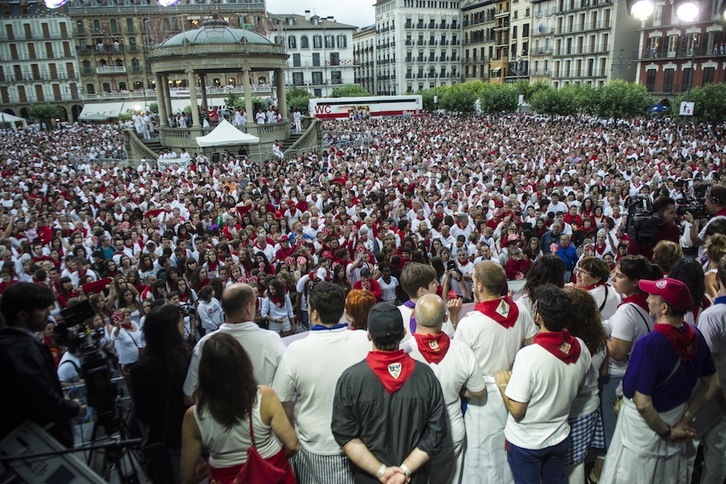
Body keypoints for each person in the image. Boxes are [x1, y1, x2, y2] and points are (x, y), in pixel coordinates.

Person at [600, 278, 721, 483]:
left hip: (644, 433)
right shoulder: (695, 335)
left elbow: (643, 404)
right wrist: (684, 420)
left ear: (664, 308)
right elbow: (713, 384)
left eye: (652, 297)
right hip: (676, 418)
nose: (647, 300)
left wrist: (667, 432)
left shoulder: (650, 344)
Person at [331, 302, 448, 483]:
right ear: (402, 333)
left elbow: (345, 436)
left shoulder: (350, 379)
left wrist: (381, 472)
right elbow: (436, 433)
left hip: (370, 478)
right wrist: (404, 470)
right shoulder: (426, 376)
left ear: (369, 335)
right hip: (414, 477)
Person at [272, 282, 371, 483]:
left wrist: (291, 434)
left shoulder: (296, 350)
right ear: (342, 310)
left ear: (314, 314)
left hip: (316, 447)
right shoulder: (366, 340)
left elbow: (281, 401)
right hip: (364, 443)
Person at [495, 285, 591, 484]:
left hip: (527, 442)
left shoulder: (529, 356)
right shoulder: (581, 347)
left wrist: (504, 384)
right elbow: (578, 388)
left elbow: (517, 409)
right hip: (560, 435)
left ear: (538, 316)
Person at [455, 260, 537, 483]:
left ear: (480, 286)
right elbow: (532, 349)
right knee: (507, 445)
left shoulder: (469, 323)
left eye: (472, 280)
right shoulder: (520, 309)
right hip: (513, 386)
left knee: (482, 451)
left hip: (482, 394)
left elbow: (460, 368)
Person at [180, 333, 299, 484]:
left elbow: (186, 478)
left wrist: (211, 466)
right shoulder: (265, 397)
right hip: (272, 474)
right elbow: (293, 445)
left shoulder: (193, 417)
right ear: (243, 363)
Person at [403, 293, 486, 484]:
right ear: (446, 318)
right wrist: (458, 390)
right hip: (450, 429)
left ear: (413, 316)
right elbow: (479, 390)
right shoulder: (461, 349)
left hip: (414, 432)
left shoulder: (402, 352)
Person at [593, 255, 657, 482]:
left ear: (635, 282)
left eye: (619, 276)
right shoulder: (646, 303)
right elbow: (611, 325)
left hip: (617, 378)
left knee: (613, 437)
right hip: (636, 375)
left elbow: (618, 350)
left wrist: (599, 338)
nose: (613, 278)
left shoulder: (628, 310)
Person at [0, 283, 84, 448]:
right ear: (23, 314)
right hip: (41, 442)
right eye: (41, 309)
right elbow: (41, 399)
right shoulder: (22, 348)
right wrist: (72, 407)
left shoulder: (11, 343)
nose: (47, 313)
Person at [183, 283, 286, 403]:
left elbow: (189, 395)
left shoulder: (204, 343)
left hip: (220, 417)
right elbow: (285, 388)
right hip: (263, 414)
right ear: (248, 307)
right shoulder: (271, 340)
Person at [130, 304, 190, 484]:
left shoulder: (139, 368)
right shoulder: (188, 360)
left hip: (163, 436)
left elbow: (142, 413)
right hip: (191, 434)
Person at [562, 286, 609, 484]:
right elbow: (604, 372)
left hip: (567, 412)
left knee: (565, 468)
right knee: (577, 463)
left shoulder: (565, 347)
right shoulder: (600, 338)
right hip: (589, 408)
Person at [691, 255, 726, 484]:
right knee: (719, 454)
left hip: (712, 394)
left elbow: (707, 367)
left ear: (718, 277)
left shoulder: (712, 316)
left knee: (688, 446)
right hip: (719, 393)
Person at [398, 262, 457, 344]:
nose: (437, 284)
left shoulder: (397, 313)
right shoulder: (438, 310)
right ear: (422, 291)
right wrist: (454, 318)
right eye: (433, 283)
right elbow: (449, 342)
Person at [627, 197, 680, 261]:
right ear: (659, 214)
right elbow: (632, 254)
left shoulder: (674, 229)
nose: (675, 216)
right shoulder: (644, 230)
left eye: (675, 212)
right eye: (671, 213)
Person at [575, 256, 621, 321]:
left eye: (583, 272)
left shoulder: (588, 296)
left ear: (597, 278)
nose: (577, 275)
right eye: (578, 270)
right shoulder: (609, 287)